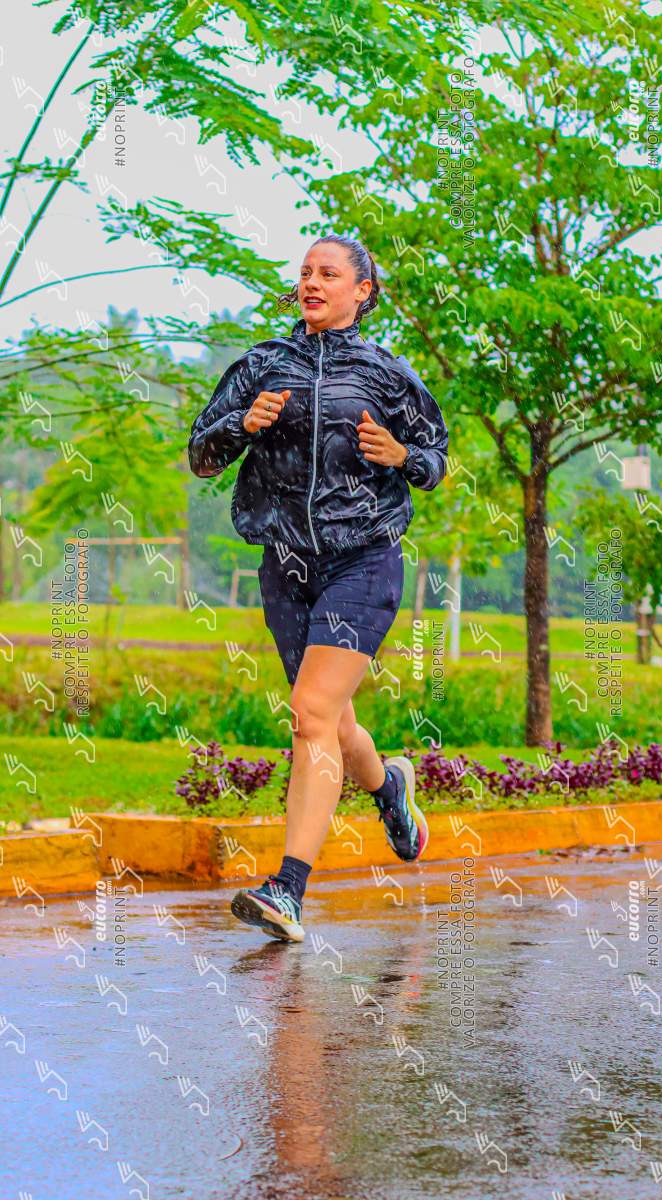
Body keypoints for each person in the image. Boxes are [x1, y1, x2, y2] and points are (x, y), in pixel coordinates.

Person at [187, 233, 449, 944]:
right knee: (329, 721)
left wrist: (403, 454)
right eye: (305, 272)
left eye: (328, 273)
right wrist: (241, 422)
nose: (311, 282)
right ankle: (389, 787)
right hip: (286, 565)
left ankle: (288, 891)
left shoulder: (388, 374)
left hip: (363, 559)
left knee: (309, 712)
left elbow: (435, 459)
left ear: (362, 291)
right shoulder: (262, 365)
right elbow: (201, 455)